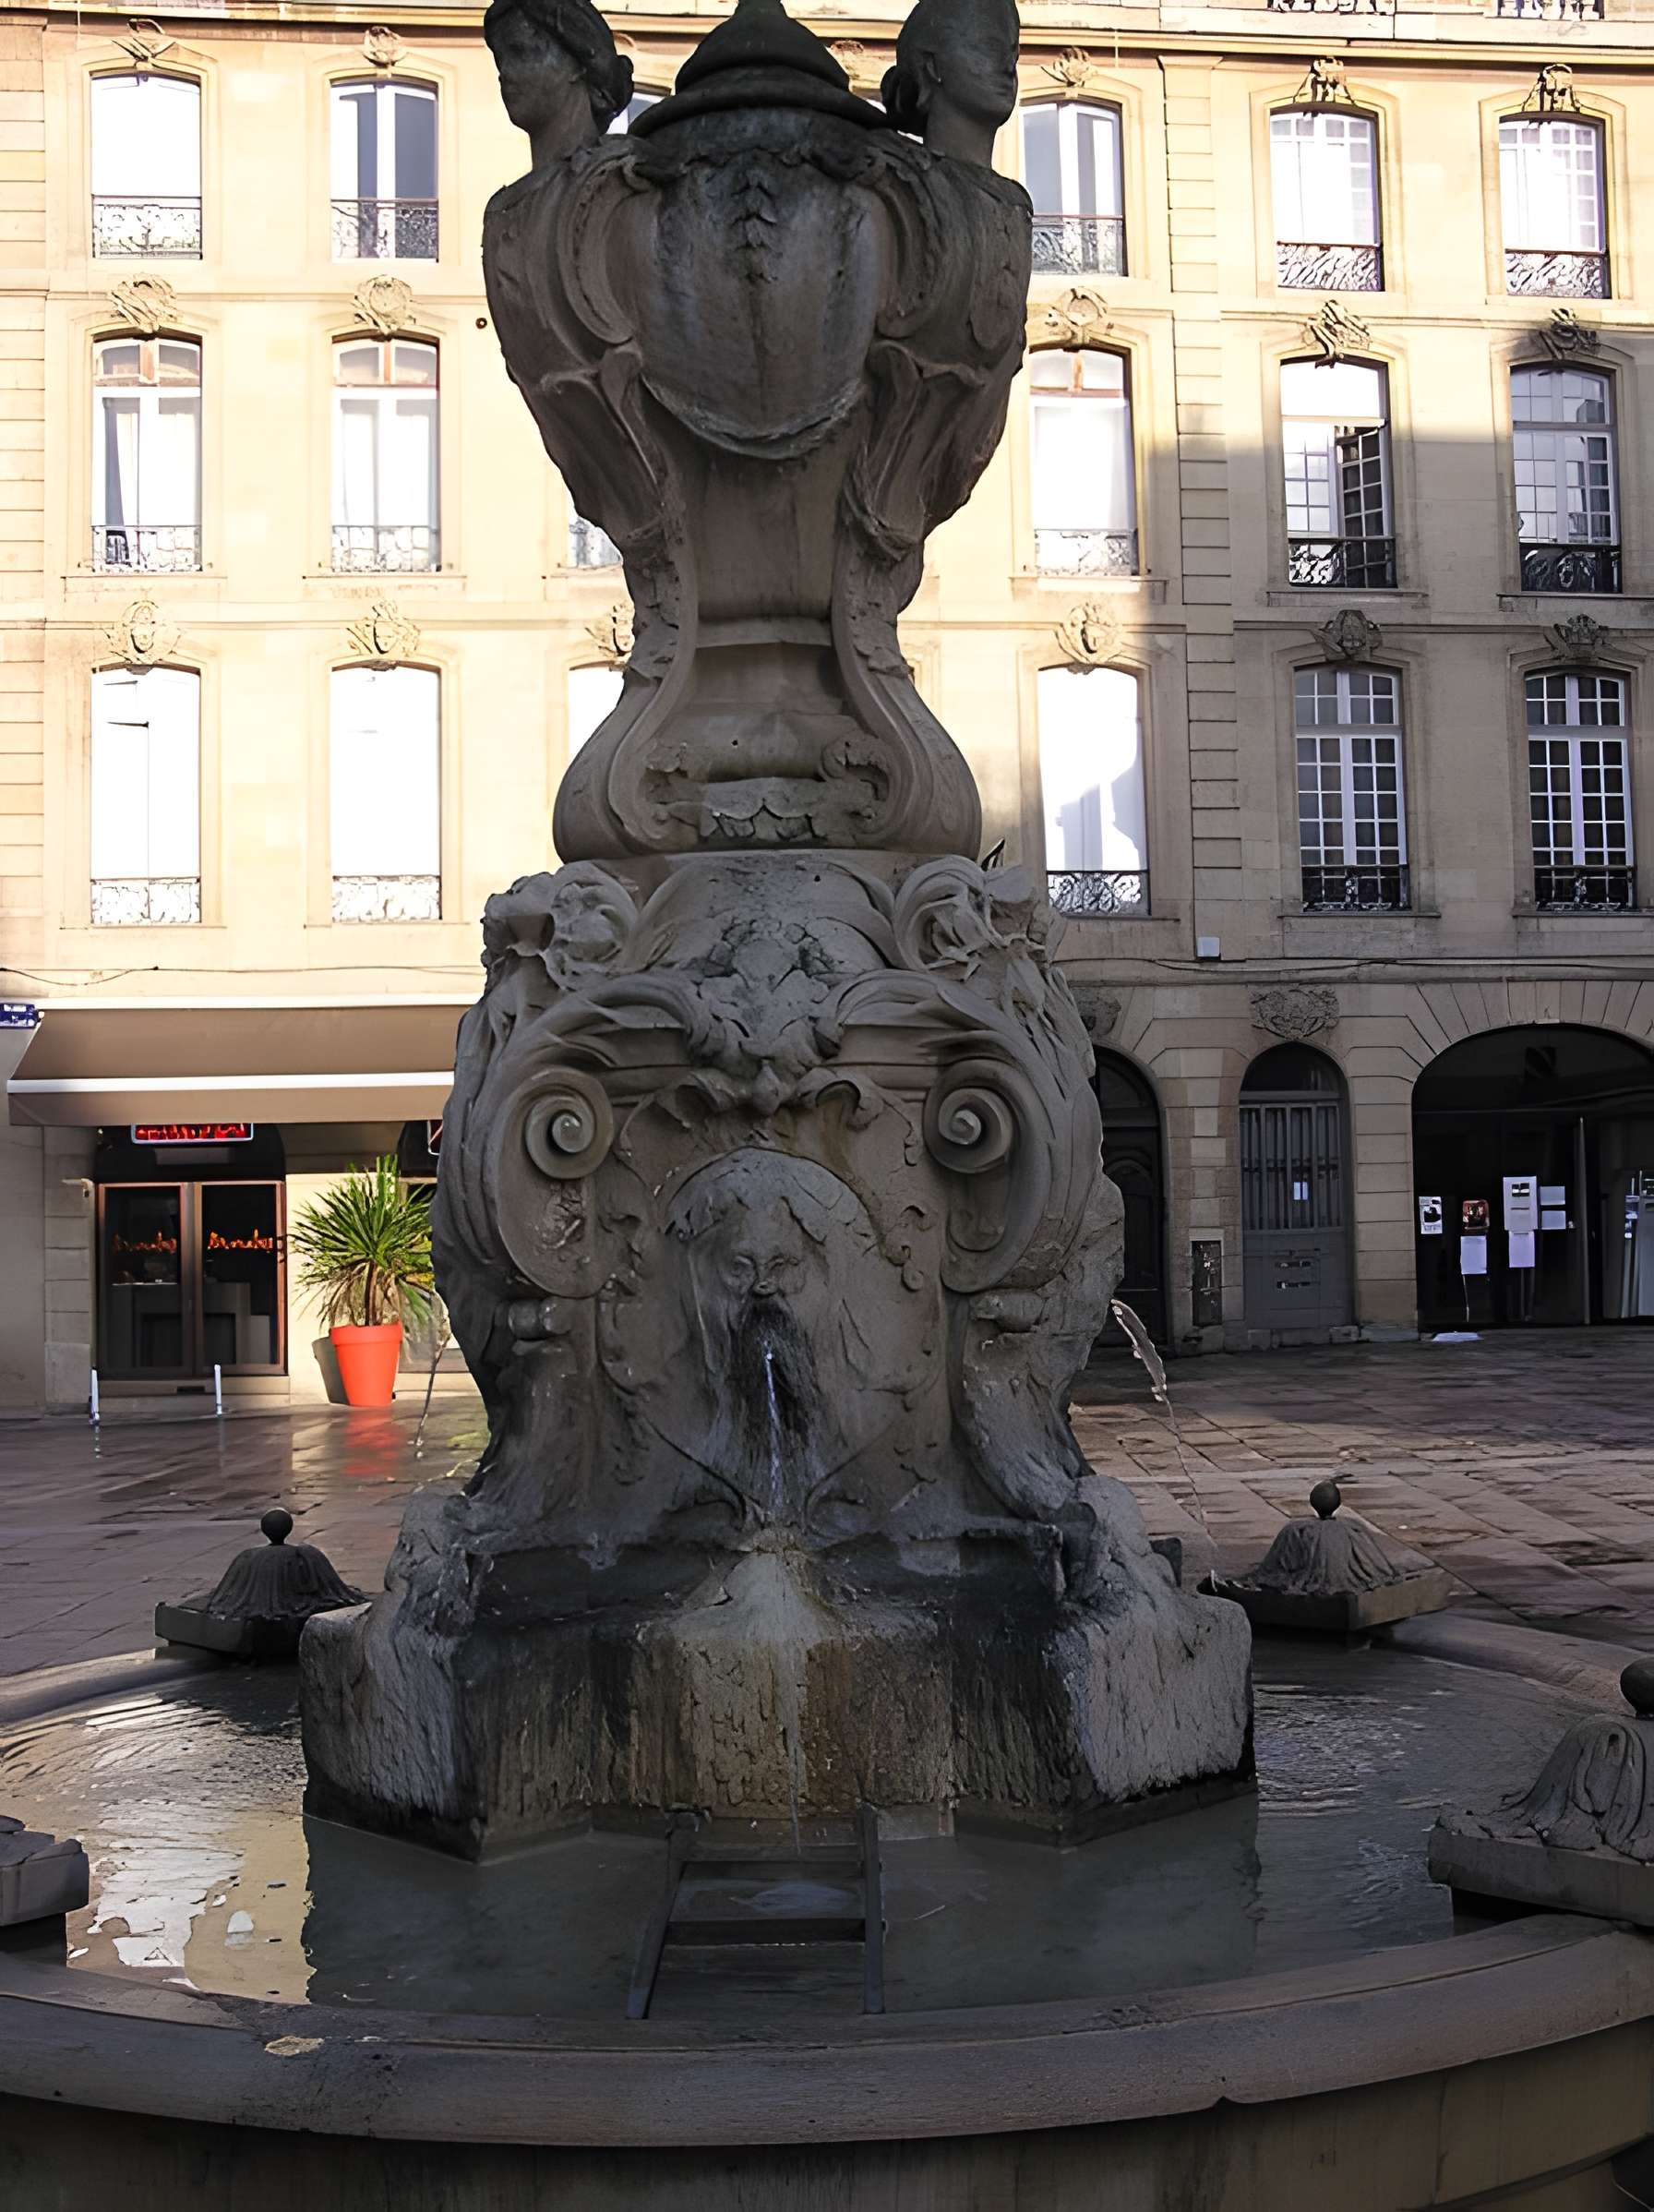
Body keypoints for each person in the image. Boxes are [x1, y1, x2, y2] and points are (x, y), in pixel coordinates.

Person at [483, 0, 634, 167]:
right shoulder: (513, 194)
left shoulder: (619, 179)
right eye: (499, 61)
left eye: (521, 52)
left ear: (577, 65)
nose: (504, 72)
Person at [880, 0, 1020, 166]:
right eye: (991, 48)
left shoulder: (1012, 193)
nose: (1009, 65)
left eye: (1014, 54)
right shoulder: (888, 178)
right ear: (932, 66)